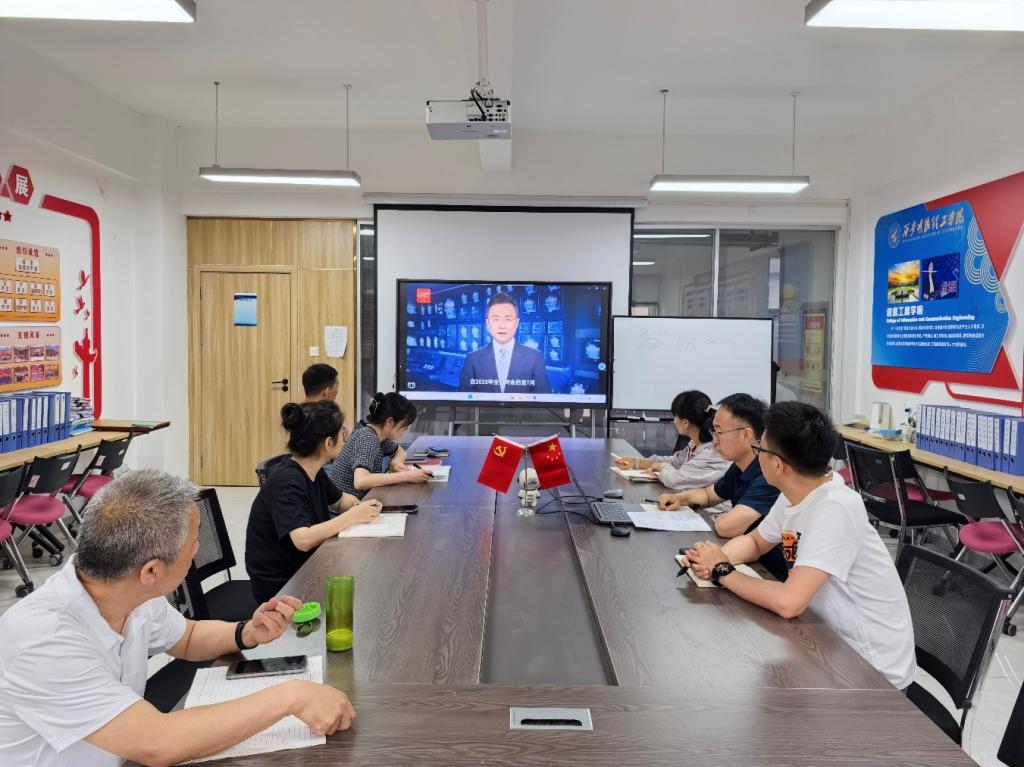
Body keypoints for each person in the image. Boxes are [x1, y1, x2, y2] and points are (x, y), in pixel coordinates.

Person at [0, 469, 356, 767]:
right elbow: (157, 742)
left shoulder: (128, 590)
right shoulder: (42, 639)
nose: (197, 551)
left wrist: (246, 633)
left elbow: (186, 638)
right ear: (151, 571)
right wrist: (291, 697)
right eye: (193, 545)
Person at [680, 401, 916, 693]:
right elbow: (755, 542)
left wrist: (722, 570)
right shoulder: (795, 492)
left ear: (778, 465)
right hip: (823, 642)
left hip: (870, 673)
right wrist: (709, 558)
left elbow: (789, 602)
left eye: (760, 449)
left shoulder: (835, 507)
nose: (757, 455)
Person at [246, 401, 383, 602]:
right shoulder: (287, 481)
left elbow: (339, 501)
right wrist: (352, 516)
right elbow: (303, 540)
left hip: (305, 566)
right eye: (343, 433)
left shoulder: (313, 470)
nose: (346, 438)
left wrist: (359, 507)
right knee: (363, 590)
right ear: (328, 443)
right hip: (282, 585)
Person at [658, 393, 787, 581]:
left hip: (770, 573)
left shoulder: (767, 473)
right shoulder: (739, 466)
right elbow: (708, 495)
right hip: (745, 559)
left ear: (747, 435)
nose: (714, 439)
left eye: (719, 431)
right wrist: (680, 498)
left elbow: (727, 527)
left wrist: (720, 518)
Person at [614, 390, 731, 510]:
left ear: (685, 422)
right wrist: (637, 462)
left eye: (675, 416)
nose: (673, 421)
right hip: (693, 507)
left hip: (711, 515)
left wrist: (661, 467)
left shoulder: (712, 452)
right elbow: (674, 462)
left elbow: (675, 479)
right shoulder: (695, 444)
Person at [329, 391, 430, 498]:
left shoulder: (379, 436)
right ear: (389, 422)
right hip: (347, 506)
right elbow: (361, 481)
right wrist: (407, 476)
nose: (405, 431)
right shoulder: (368, 438)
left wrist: (395, 462)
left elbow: (400, 452)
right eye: (404, 427)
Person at [458, 292, 551, 394]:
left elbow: (544, 399)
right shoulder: (472, 359)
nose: (502, 326)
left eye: (508, 319)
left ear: (517, 323)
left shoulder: (534, 357)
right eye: (496, 319)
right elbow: (464, 400)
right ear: (488, 323)